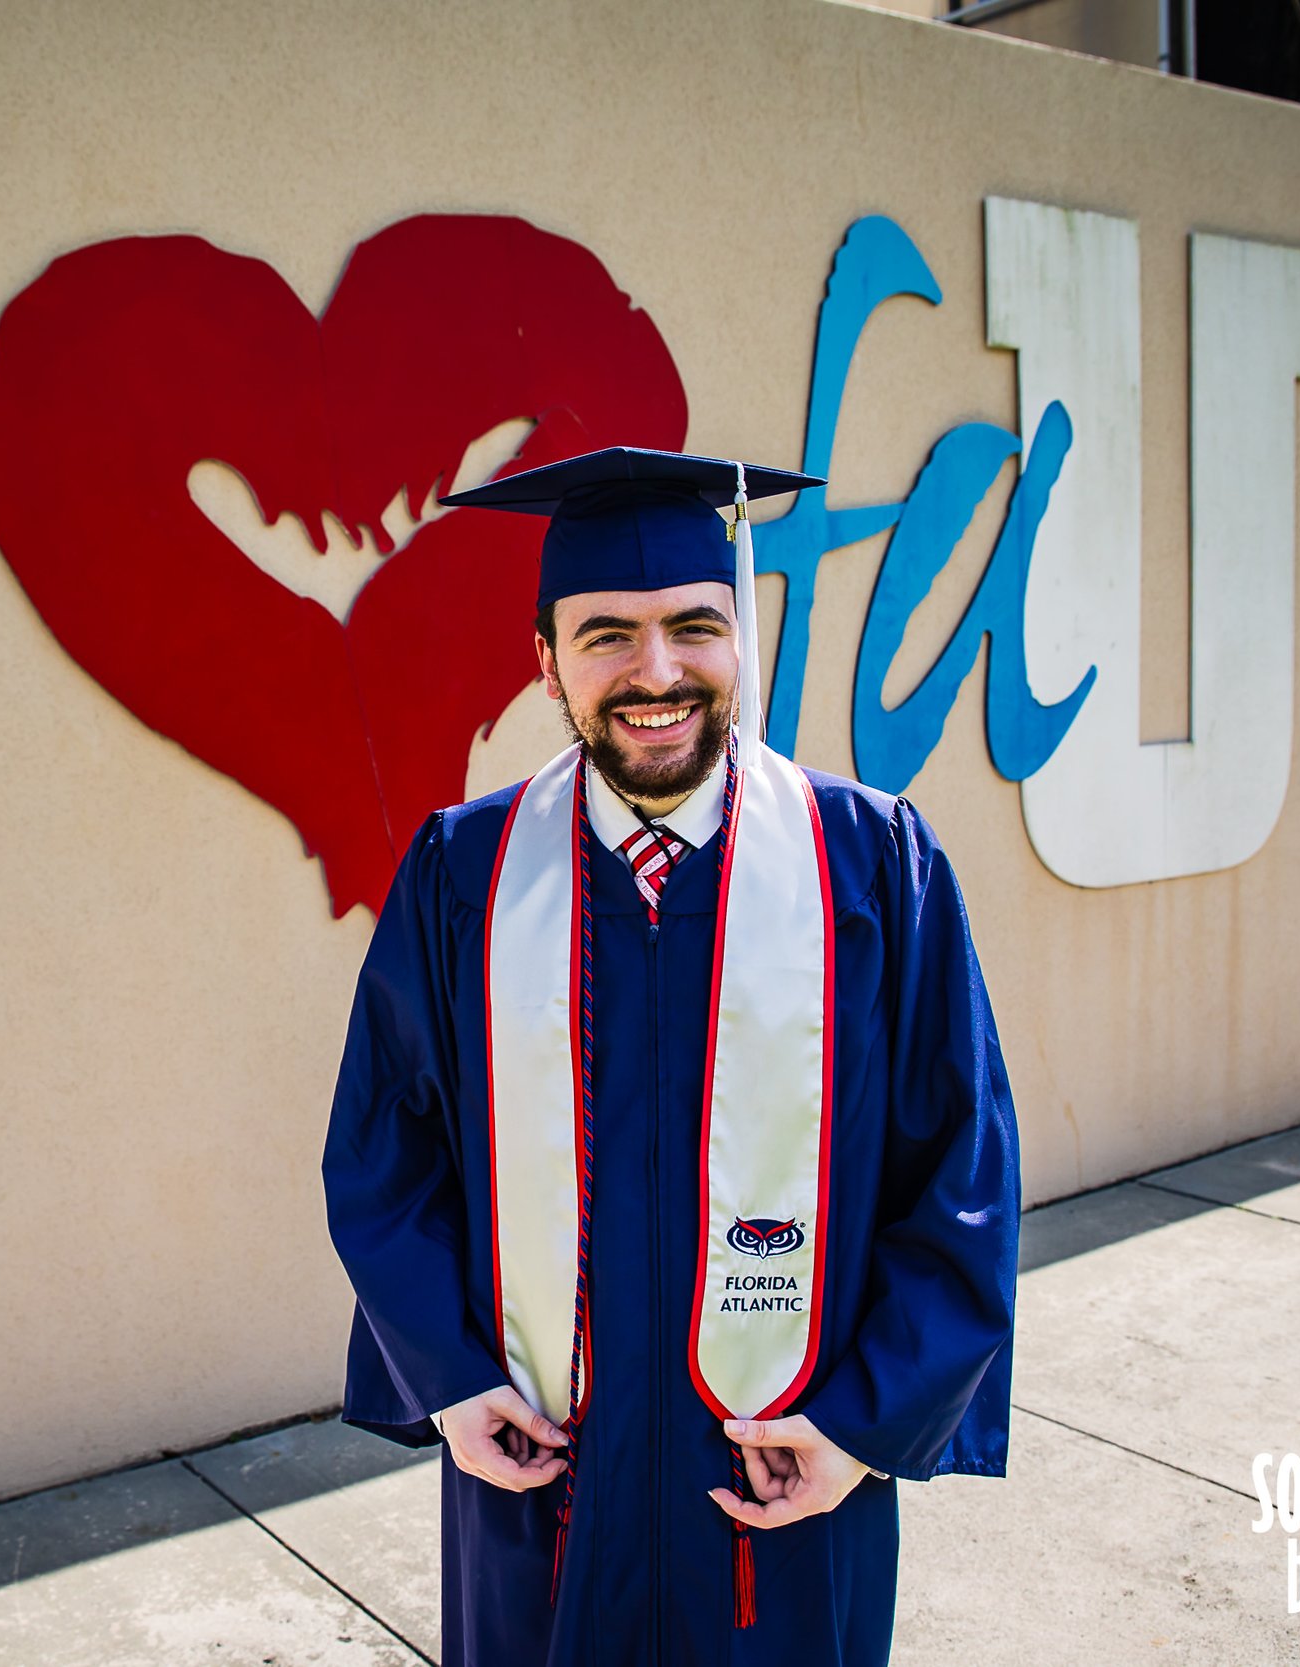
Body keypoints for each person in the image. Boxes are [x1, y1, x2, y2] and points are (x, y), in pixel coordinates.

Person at [320, 446, 1020, 1665]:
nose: (656, 671)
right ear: (545, 661)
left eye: (694, 626)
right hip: (542, 1480)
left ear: (741, 634)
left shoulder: (872, 868)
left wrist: (859, 1428)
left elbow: (960, 1175)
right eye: (606, 635)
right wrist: (448, 1378)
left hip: (780, 1488)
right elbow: (385, 1153)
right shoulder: (464, 879)